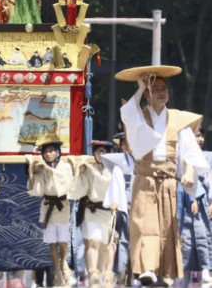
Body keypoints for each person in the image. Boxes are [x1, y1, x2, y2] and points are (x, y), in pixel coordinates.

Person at [116, 66, 210, 286]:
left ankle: (164, 273)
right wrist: (140, 88)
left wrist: (187, 171)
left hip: (168, 182)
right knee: (146, 224)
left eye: (163, 88)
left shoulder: (177, 119)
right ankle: (147, 267)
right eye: (155, 89)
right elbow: (127, 114)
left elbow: (189, 152)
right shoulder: (139, 117)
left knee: (167, 228)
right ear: (148, 94)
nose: (161, 92)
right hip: (145, 180)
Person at [27, 140, 74, 287]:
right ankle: (57, 269)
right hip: (48, 207)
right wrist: (31, 171)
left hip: (62, 206)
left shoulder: (65, 166)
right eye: (46, 152)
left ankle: (63, 263)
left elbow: (64, 183)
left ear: (58, 152)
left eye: (51, 150)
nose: (48, 154)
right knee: (52, 243)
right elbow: (37, 190)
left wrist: (46, 168)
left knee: (63, 240)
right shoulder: (42, 170)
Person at [69, 141, 115, 287]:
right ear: (94, 154)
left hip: (107, 212)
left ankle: (99, 276)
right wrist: (78, 172)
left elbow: (106, 183)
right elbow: (78, 190)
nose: (100, 154)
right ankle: (93, 272)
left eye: (103, 151)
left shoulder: (113, 169)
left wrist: (90, 169)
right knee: (93, 241)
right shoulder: (89, 169)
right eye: (97, 151)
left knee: (104, 245)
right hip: (91, 210)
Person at [177, 130, 212, 284]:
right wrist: (191, 197)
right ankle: (182, 270)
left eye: (201, 136)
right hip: (182, 201)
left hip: (203, 202)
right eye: (196, 136)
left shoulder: (209, 156)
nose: (199, 139)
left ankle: (206, 268)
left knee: (202, 235)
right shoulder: (181, 155)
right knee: (185, 239)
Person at [102, 132, 135, 285]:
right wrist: (115, 201)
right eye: (124, 143)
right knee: (123, 239)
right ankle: (122, 274)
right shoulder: (119, 162)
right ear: (122, 145)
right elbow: (115, 183)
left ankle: (137, 273)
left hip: (139, 201)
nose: (128, 145)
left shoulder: (142, 161)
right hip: (124, 202)